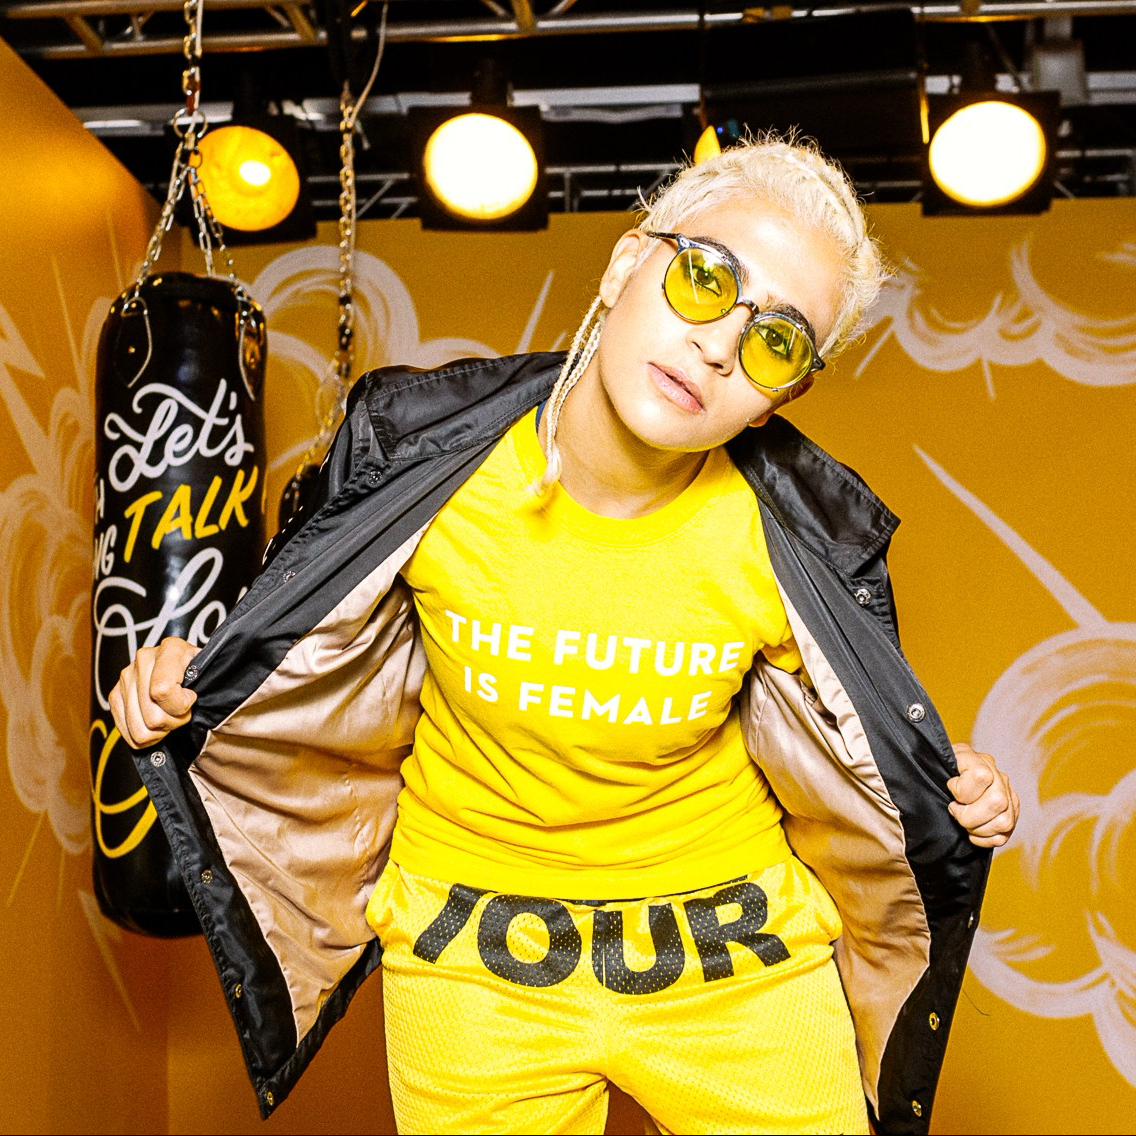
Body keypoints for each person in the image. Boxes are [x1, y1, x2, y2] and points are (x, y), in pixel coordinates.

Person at [111, 133, 1018, 1136]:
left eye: (776, 340)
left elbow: (851, 738)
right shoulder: (422, 462)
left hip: (734, 956)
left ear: (783, 396)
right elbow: (298, 644)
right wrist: (180, 684)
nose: (719, 345)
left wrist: (943, 786)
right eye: (706, 278)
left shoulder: (793, 538)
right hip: (471, 957)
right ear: (628, 263)